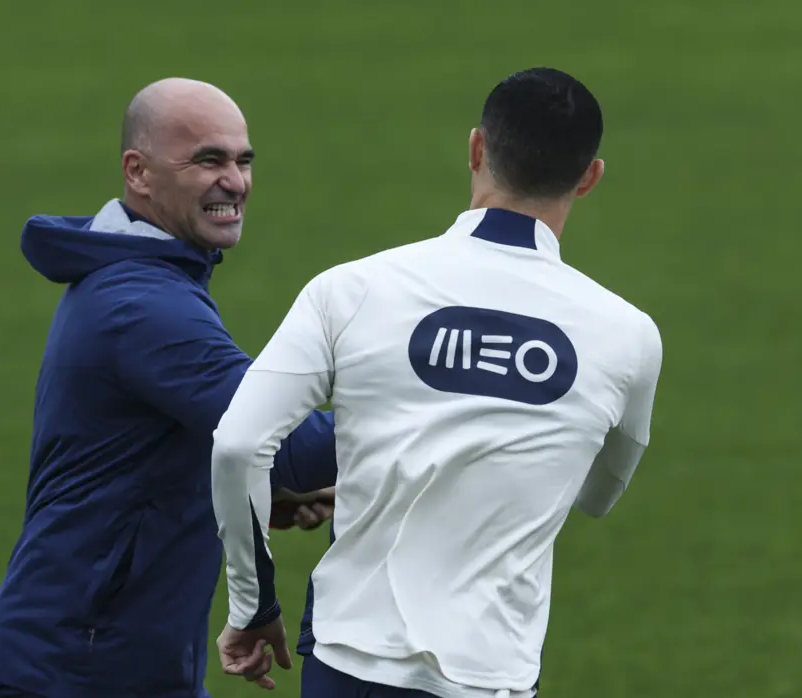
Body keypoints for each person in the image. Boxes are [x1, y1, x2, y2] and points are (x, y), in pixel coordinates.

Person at [209, 67, 664, 698]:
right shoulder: (630, 334)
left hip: (347, 661)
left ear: (477, 148)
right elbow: (597, 494)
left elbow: (237, 445)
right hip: (488, 676)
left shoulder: (350, 289)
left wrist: (252, 604)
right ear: (589, 178)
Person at [0, 78, 338, 698]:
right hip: (87, 666)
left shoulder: (141, 279)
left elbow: (157, 446)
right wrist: (432, 403)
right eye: (208, 160)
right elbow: (284, 438)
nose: (236, 181)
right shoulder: (141, 306)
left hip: (114, 656)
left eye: (243, 160)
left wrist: (259, 489)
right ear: (137, 172)